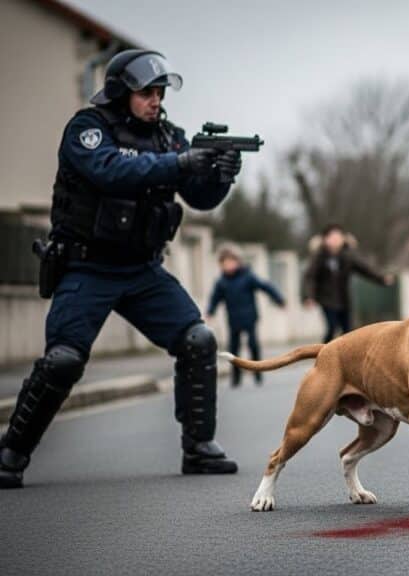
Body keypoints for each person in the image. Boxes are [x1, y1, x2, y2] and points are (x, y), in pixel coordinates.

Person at [0, 50, 242, 488]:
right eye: (146, 93)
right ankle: (10, 454)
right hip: (87, 268)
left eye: (160, 93)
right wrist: (181, 164)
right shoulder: (87, 129)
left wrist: (220, 175)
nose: (155, 100)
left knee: (197, 339)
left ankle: (199, 448)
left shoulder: (170, 137)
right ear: (119, 93)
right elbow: (110, 171)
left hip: (142, 271)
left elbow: (201, 198)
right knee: (62, 361)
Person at [206, 247, 285, 387]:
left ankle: (257, 373)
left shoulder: (247, 277)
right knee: (233, 348)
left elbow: (265, 286)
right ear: (221, 265)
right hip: (233, 319)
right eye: (225, 263)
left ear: (237, 262)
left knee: (253, 345)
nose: (228, 266)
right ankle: (235, 378)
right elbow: (215, 298)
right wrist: (210, 312)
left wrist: (279, 299)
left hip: (250, 317)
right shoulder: (221, 282)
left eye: (231, 262)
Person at [303, 224, 394, 343]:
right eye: (332, 237)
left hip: (344, 299)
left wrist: (382, 278)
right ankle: (323, 353)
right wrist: (309, 296)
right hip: (327, 299)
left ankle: (347, 357)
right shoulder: (319, 257)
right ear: (325, 239)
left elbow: (364, 268)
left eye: (338, 237)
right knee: (332, 328)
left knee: (348, 331)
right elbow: (310, 277)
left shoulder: (348, 255)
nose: (336, 240)